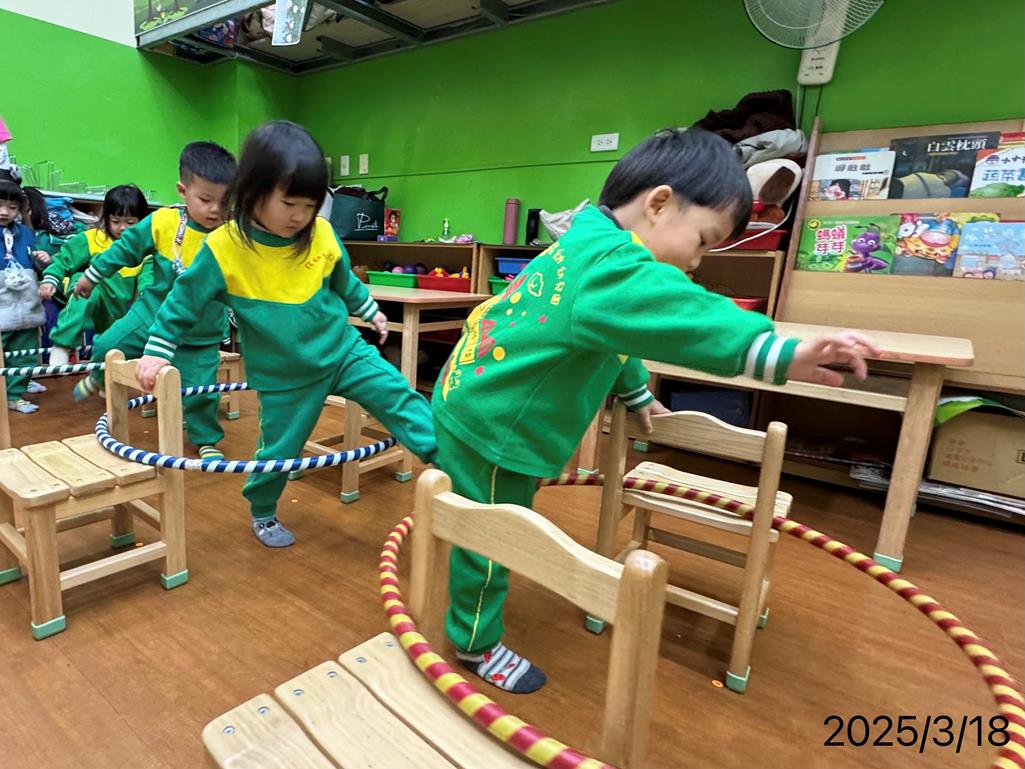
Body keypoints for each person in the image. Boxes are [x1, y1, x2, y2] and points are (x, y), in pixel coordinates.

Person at [431, 128, 881, 694]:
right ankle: (474, 643)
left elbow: (605, 337)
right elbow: (677, 313)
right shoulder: (613, 266)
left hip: (474, 395)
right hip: (494, 426)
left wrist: (637, 391)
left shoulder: (588, 244)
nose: (697, 260)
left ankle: (464, 580)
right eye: (702, 241)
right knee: (494, 538)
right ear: (660, 203)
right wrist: (778, 351)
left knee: (488, 520)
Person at [134, 121, 437, 548]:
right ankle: (263, 509)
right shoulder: (225, 248)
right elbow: (183, 302)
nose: (300, 216)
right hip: (284, 375)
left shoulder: (322, 233)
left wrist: (369, 310)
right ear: (254, 192)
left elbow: (343, 279)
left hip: (341, 350)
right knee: (280, 450)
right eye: (289, 203)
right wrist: (157, 351)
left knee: (398, 395)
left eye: (310, 205)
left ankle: (452, 460)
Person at [73, 142, 237, 461]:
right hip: (150, 316)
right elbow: (124, 250)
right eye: (206, 200)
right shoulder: (163, 222)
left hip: (200, 333)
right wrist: (92, 276)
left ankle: (206, 440)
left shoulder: (232, 236)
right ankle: (97, 376)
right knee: (107, 344)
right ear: (183, 191)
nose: (216, 210)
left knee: (201, 392)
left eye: (226, 201)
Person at [39, 185, 149, 365]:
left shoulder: (145, 252)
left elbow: (148, 280)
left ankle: (100, 375)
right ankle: (62, 344)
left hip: (116, 308)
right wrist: (50, 278)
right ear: (106, 219)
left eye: (130, 223)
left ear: (143, 221)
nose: (122, 228)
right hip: (87, 293)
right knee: (84, 289)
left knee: (109, 347)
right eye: (115, 221)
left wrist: (145, 294)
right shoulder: (93, 238)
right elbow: (64, 258)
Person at [0, 180, 47, 413]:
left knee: (25, 355)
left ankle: (14, 395)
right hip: (2, 308)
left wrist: (44, 261)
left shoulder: (26, 234)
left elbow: (37, 269)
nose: (4, 212)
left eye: (11, 207)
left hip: (27, 307)